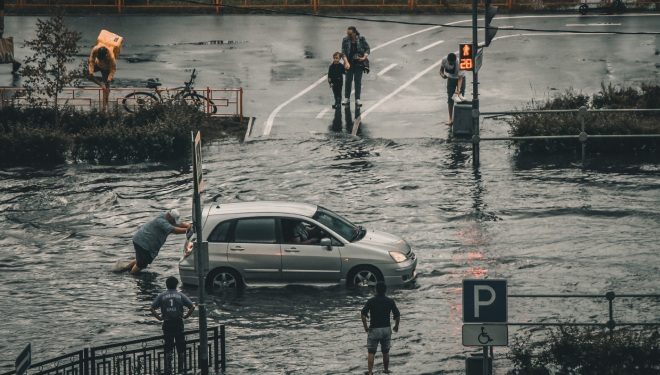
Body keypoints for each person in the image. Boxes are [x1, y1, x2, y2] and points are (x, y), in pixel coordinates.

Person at [120, 209, 191, 274]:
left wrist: (189, 226)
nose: (174, 222)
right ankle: (132, 275)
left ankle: (125, 268)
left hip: (143, 241)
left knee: (142, 259)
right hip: (142, 242)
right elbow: (174, 230)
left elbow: (177, 224)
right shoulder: (161, 221)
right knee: (141, 264)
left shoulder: (167, 217)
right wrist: (188, 230)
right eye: (173, 220)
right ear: (169, 216)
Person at [150, 276, 196, 375]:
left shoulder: (162, 296)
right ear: (176, 285)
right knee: (181, 346)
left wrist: (159, 318)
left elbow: (152, 308)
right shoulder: (180, 295)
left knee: (168, 346)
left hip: (167, 323)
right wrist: (186, 316)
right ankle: (181, 369)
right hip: (178, 323)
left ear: (166, 285)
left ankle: (168, 370)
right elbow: (192, 307)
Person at [361, 282, 400, 375]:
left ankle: (370, 372)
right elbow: (397, 315)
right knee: (386, 352)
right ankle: (386, 370)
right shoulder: (390, 301)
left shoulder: (371, 301)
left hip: (374, 329)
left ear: (376, 290)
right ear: (385, 290)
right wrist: (396, 326)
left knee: (371, 352)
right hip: (386, 329)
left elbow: (363, 315)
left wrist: (366, 327)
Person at [342, 26, 370, 108]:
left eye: (350, 34)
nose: (348, 35)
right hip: (349, 63)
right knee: (348, 81)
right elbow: (343, 52)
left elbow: (367, 49)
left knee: (357, 81)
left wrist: (364, 57)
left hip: (359, 63)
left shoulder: (361, 39)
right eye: (347, 33)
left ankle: (358, 99)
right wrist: (346, 62)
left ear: (354, 33)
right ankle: (347, 98)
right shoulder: (345, 40)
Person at [439, 52, 466, 125]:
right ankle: (450, 119)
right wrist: (442, 75)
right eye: (450, 63)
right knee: (450, 98)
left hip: (460, 78)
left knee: (460, 97)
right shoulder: (444, 60)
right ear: (447, 60)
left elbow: (460, 79)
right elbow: (441, 71)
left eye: (452, 63)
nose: (451, 64)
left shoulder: (460, 63)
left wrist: (458, 90)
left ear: (455, 61)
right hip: (450, 78)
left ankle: (460, 118)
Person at [88, 44, 116, 110]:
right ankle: (101, 83)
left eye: (102, 58)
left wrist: (109, 79)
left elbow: (113, 69)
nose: (101, 59)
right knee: (88, 74)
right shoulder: (95, 49)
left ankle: (104, 106)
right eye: (99, 57)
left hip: (106, 69)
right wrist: (91, 72)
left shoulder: (111, 56)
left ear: (105, 55)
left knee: (106, 87)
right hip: (97, 65)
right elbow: (91, 61)